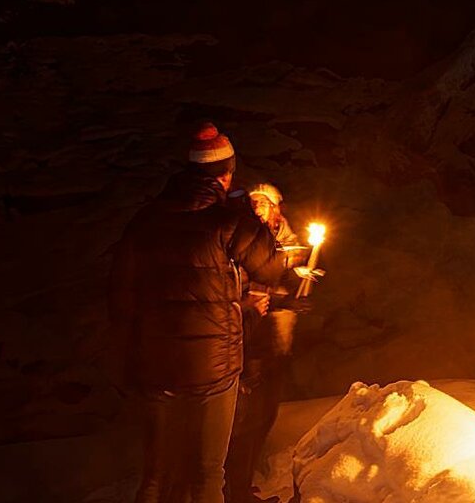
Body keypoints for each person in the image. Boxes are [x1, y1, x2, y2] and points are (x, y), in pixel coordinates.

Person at [109, 122, 282, 503]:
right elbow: (271, 268)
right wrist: (250, 217)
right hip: (213, 366)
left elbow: (121, 296)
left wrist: (124, 361)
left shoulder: (144, 221)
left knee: (156, 474)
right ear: (226, 174)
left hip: (155, 364)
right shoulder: (227, 221)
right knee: (207, 474)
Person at [225, 182, 320, 502]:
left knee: (264, 416)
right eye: (253, 202)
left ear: (276, 208)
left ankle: (242, 483)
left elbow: (282, 286)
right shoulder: (244, 238)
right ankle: (231, 489)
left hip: (274, 344)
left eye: (264, 202)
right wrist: (281, 298)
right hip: (248, 343)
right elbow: (254, 288)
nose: (257, 207)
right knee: (245, 420)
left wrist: (297, 290)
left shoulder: (285, 240)